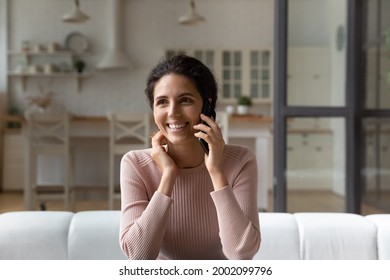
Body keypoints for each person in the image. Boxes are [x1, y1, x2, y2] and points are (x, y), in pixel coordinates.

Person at [119, 54, 260, 260]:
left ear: (207, 106)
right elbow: (138, 256)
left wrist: (216, 171)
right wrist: (168, 175)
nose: (173, 112)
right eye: (162, 102)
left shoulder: (241, 161)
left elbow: (242, 254)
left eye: (185, 100)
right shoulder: (135, 164)